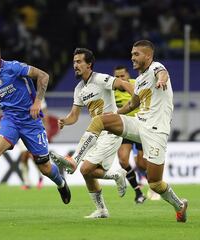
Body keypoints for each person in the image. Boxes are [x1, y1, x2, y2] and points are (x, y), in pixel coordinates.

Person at [51, 40, 188, 222]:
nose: (132, 57)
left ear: (148, 56)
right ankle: (74, 160)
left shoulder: (157, 67)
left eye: (136, 54)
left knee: (154, 183)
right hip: (139, 123)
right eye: (131, 54)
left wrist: (162, 80)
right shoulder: (139, 80)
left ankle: (179, 205)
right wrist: (115, 114)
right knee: (100, 120)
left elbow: (162, 74)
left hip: (156, 131)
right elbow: (133, 104)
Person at [0, 41, 71, 214]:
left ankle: (61, 183)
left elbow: (43, 76)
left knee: (44, 167)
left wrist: (37, 102)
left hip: (31, 122)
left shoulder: (14, 67)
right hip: (10, 121)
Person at [50, 48, 134, 219]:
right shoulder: (79, 88)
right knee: (86, 171)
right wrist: (65, 121)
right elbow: (74, 115)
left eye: (79, 62)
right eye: (74, 62)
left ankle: (73, 160)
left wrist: (138, 98)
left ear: (89, 64)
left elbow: (124, 84)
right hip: (97, 133)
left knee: (84, 168)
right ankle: (104, 205)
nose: (75, 65)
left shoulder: (101, 78)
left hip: (111, 131)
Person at [113, 65, 146, 204]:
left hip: (140, 126)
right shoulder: (111, 90)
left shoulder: (136, 85)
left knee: (142, 164)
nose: (120, 79)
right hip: (124, 128)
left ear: (128, 76)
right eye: (117, 77)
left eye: (123, 76)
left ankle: (150, 179)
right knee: (123, 160)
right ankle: (138, 192)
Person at [18, 99, 48, 190]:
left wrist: (44, 130)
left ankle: (40, 177)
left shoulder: (38, 96)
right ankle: (27, 182)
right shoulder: (19, 93)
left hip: (35, 130)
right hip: (21, 128)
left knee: (33, 156)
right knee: (23, 157)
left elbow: (45, 114)